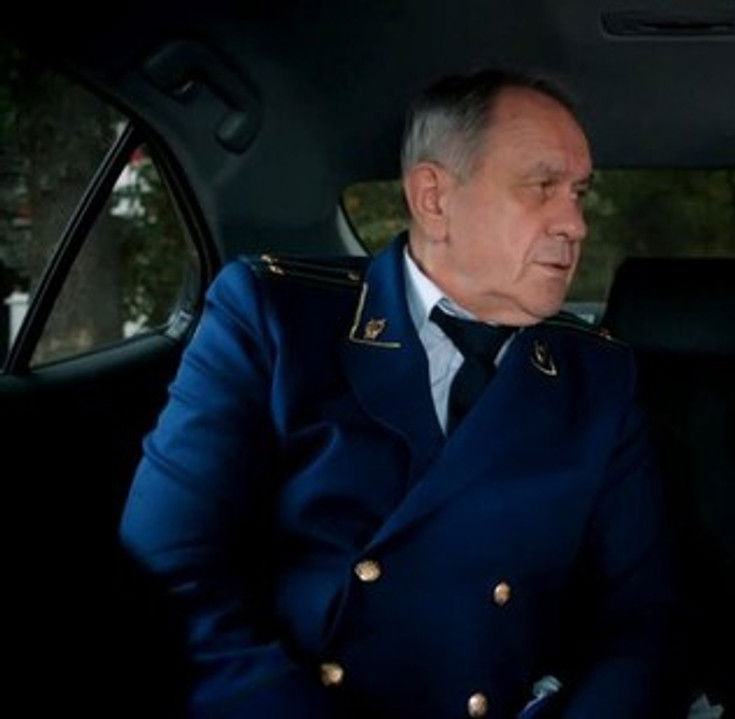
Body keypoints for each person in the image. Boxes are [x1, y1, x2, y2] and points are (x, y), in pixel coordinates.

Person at [120, 69, 684, 718]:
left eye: (579, 193)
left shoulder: (596, 378)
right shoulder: (275, 321)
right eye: (542, 187)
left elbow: (641, 622)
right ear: (433, 198)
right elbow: (172, 578)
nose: (576, 223)